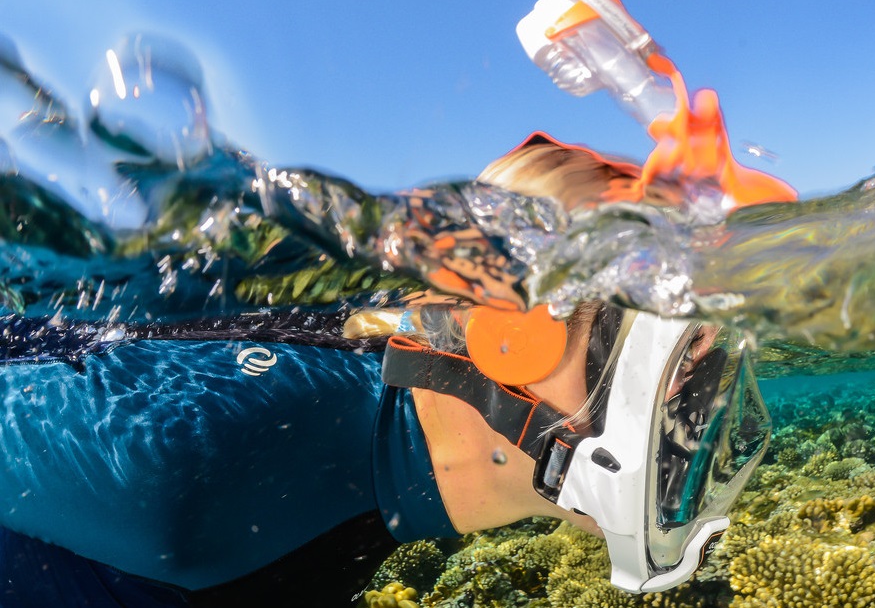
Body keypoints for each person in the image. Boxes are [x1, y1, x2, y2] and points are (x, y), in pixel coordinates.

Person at [0, 134, 773, 607]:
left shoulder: (372, 475)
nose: (700, 398)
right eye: (679, 346)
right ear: (510, 336)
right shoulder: (179, 461)